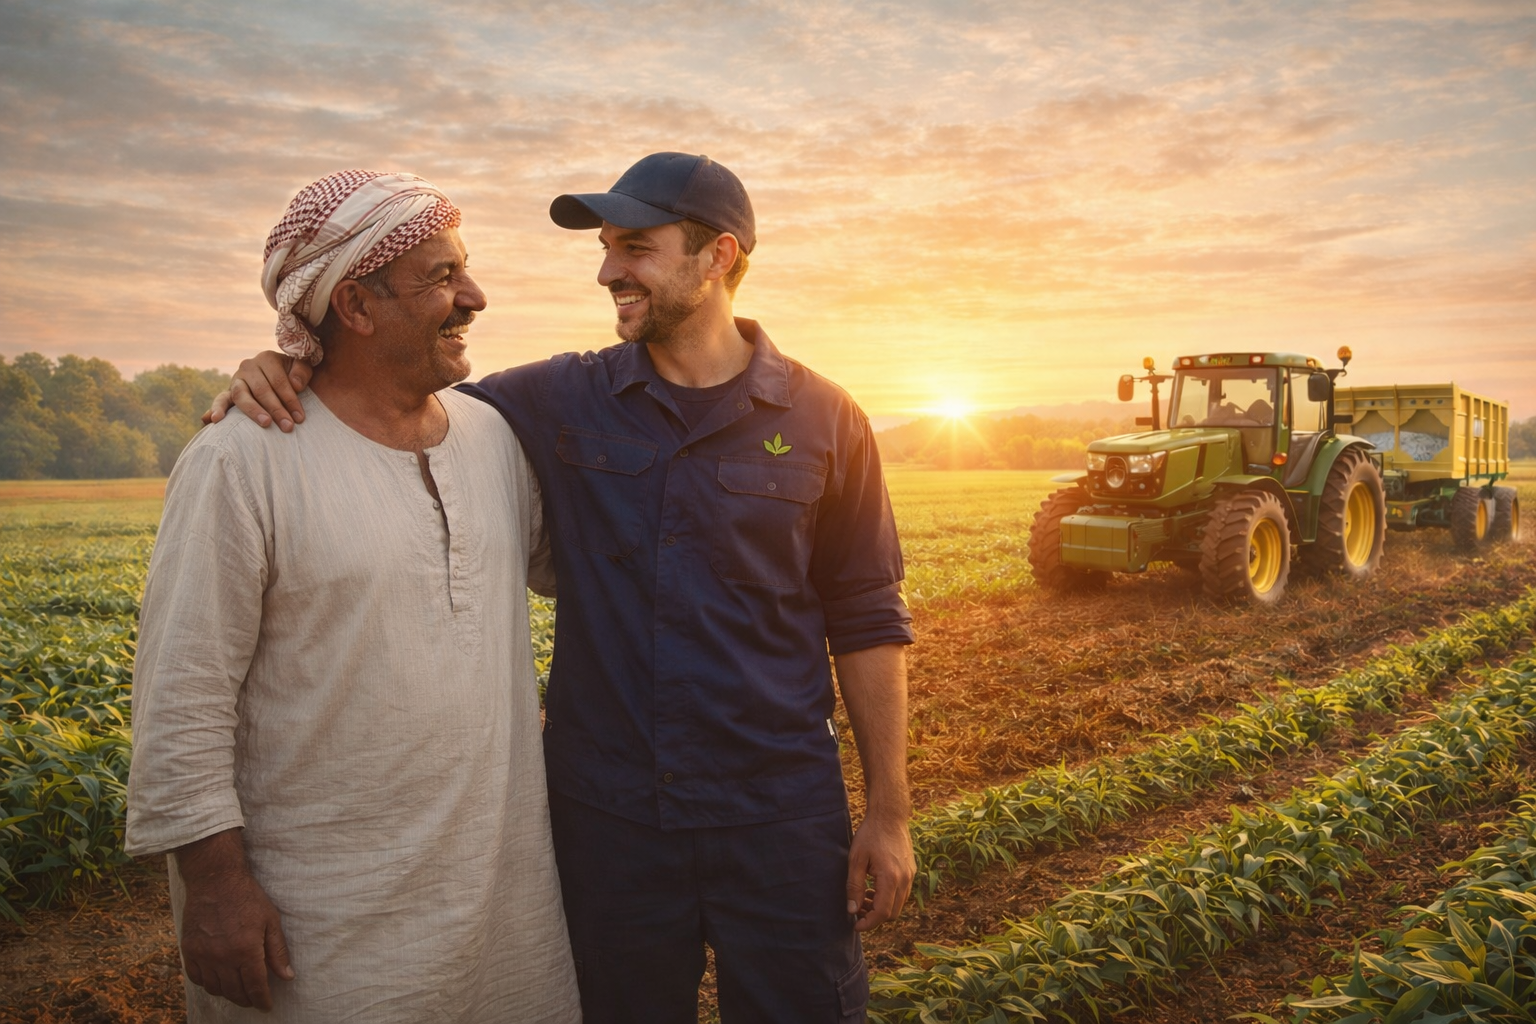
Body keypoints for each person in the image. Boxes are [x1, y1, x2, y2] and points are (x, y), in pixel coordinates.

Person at [213, 152, 916, 1023]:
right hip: (610, 824)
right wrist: (288, 361)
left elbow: (867, 617)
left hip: (779, 816)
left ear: (719, 255)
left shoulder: (827, 418)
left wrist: (889, 812)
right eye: (605, 248)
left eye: (636, 248)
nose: (608, 271)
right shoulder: (553, 400)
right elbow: (387, 384)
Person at [127, 170, 581, 1023]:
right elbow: (181, 699)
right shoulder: (240, 461)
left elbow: (578, 574)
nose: (475, 296)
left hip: (505, 906)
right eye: (443, 277)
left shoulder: (491, 438)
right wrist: (215, 888)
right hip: (323, 922)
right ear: (356, 306)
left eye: (466, 269)